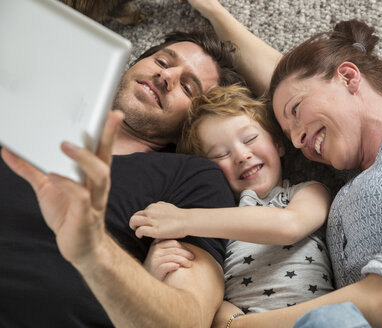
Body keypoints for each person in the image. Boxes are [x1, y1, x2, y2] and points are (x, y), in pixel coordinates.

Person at [179, 1, 382, 327]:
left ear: (348, 76)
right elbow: (280, 92)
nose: (298, 141)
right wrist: (215, 13)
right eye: (289, 134)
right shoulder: (343, 189)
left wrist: (238, 325)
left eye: (297, 111)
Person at [0, 30, 245, 327]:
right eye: (163, 61)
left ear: (195, 120)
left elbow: (189, 319)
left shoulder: (193, 177)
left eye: (188, 87)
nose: (165, 76)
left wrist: (94, 250)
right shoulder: (36, 106)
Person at [128, 84, 334, 313]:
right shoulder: (208, 231)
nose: (241, 156)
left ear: (277, 144)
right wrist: (150, 274)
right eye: (221, 154)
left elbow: (290, 225)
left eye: (250, 139)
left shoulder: (308, 192)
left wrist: (181, 219)